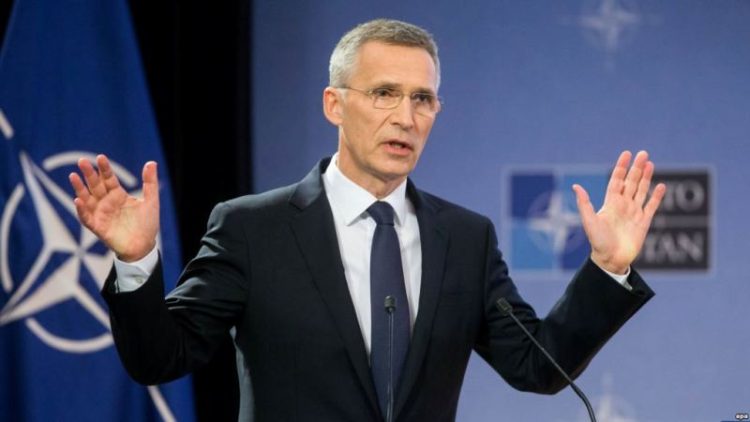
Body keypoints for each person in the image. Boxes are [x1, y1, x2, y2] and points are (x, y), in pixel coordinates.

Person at [69, 19, 665, 422]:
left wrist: (607, 268)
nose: (405, 117)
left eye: (422, 98)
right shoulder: (253, 229)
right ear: (335, 103)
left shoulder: (465, 239)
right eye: (384, 93)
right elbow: (160, 358)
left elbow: (538, 366)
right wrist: (135, 261)